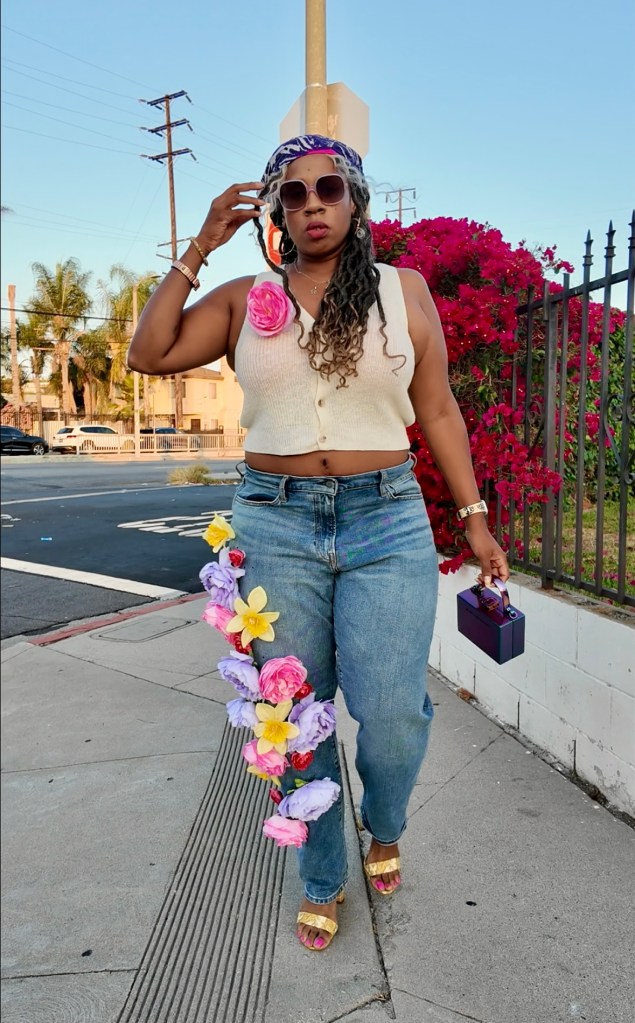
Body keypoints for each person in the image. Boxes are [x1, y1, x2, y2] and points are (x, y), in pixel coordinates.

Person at [128, 133, 510, 952]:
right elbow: (148, 352)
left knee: (392, 711)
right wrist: (199, 246)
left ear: (355, 200)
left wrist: (474, 516)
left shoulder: (405, 291)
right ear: (276, 211)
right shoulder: (244, 298)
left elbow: (437, 408)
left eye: (328, 188)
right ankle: (321, 872)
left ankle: (385, 822)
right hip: (274, 519)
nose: (311, 205)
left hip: (386, 516)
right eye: (293, 193)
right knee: (294, 712)